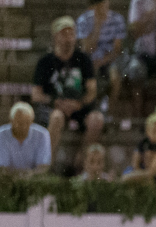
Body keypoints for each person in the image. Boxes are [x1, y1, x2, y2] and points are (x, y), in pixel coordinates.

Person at [32, 17, 104, 163]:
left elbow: (92, 91)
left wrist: (79, 103)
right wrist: (55, 102)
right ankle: (46, 165)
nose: (68, 38)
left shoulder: (84, 59)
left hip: (79, 106)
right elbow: (36, 94)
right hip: (55, 107)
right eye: (64, 33)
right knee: (57, 117)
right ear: (55, 36)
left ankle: (84, 165)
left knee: (96, 119)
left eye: (71, 33)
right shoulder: (45, 62)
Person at [76, 0, 128, 115]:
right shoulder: (83, 20)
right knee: (90, 76)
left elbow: (117, 49)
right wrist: (97, 25)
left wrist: (102, 61)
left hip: (110, 59)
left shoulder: (117, 19)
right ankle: (92, 111)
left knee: (115, 78)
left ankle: (110, 113)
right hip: (90, 59)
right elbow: (86, 49)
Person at [0, 102, 52, 175]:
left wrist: (30, 174)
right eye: (19, 123)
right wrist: (19, 175)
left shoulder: (42, 135)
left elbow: (43, 166)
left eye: (26, 122)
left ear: (32, 121)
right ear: (11, 121)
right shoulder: (0, 135)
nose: (23, 126)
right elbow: (1, 167)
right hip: (7, 178)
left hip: (33, 179)